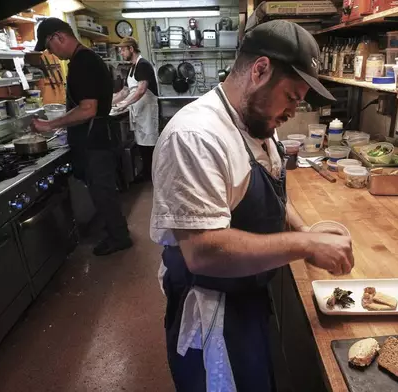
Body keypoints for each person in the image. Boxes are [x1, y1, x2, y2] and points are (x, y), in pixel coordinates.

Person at [151, 20, 355, 391]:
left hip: (246, 295)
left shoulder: (256, 121)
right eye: (292, 96)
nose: (295, 110)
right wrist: (306, 245)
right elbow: (204, 252)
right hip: (213, 309)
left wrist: (304, 230)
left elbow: (272, 189)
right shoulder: (196, 137)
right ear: (260, 70)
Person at [31, 18, 132, 256]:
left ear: (59, 37)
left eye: (49, 47)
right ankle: (117, 232)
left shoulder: (82, 62)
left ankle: (119, 238)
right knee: (104, 191)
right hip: (98, 137)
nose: (51, 53)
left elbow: (88, 109)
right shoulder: (87, 59)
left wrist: (50, 124)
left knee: (102, 192)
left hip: (94, 141)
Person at [111, 37, 159, 182]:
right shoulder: (132, 67)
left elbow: (141, 90)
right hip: (139, 111)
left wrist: (125, 104)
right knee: (141, 144)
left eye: (123, 50)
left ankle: (155, 176)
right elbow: (126, 91)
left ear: (131, 49)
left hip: (148, 110)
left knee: (150, 144)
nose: (121, 53)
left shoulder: (143, 65)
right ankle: (147, 174)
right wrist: (108, 103)